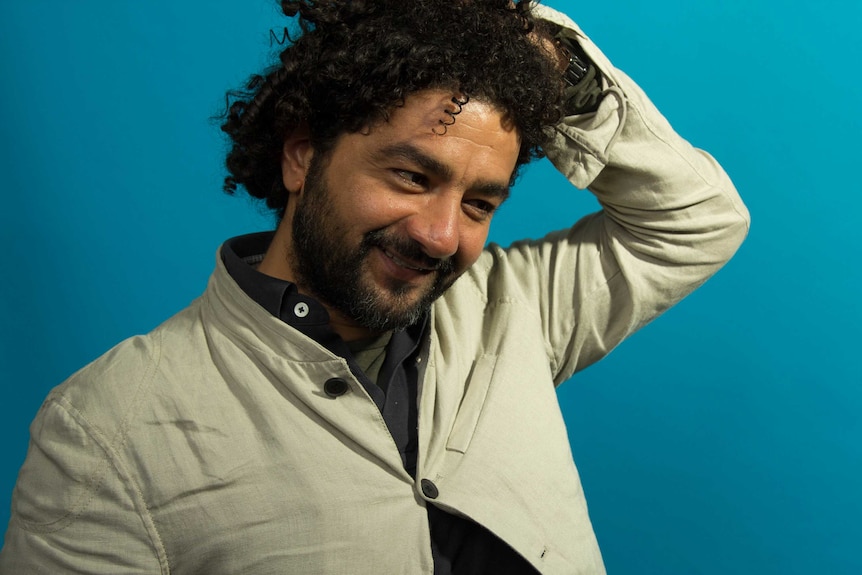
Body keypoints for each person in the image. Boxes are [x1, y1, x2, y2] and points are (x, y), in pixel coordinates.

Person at [0, 1, 749, 573]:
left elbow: (701, 220)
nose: (439, 234)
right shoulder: (104, 429)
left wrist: (546, 55)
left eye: (479, 203)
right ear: (301, 157)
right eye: (412, 176)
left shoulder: (511, 307)